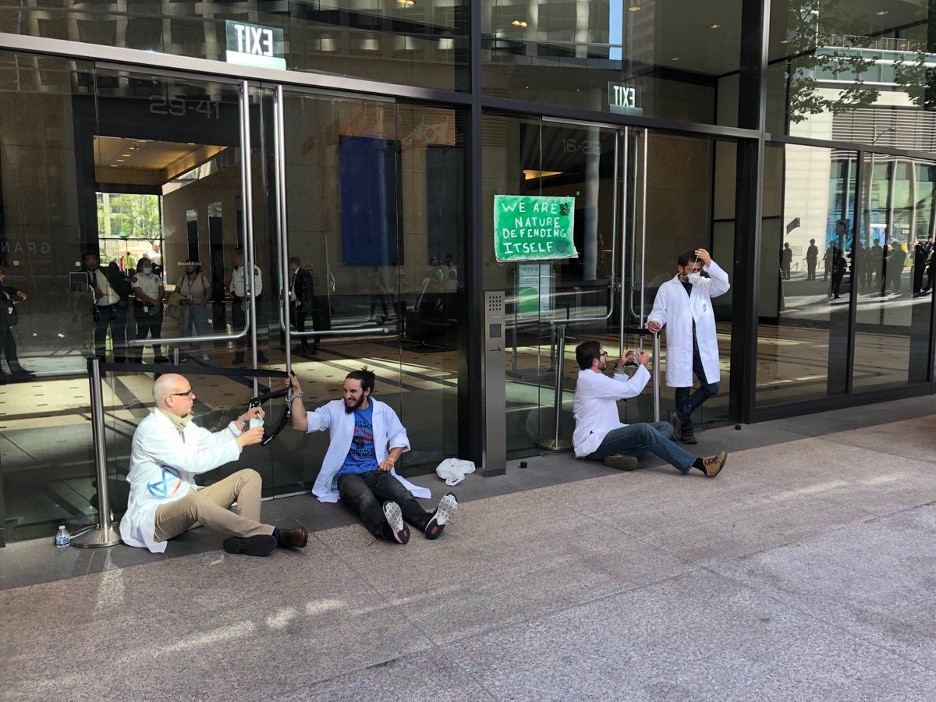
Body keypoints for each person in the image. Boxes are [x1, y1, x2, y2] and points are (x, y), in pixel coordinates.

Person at [120, 373, 308, 556]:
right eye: (187, 393)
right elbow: (194, 463)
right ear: (170, 400)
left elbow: (211, 442)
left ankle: (248, 538)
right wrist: (240, 442)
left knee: (248, 476)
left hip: (187, 504)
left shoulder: (183, 424)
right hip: (156, 517)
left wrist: (241, 422)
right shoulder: (151, 431)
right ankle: (275, 534)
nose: (193, 396)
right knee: (196, 502)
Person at [288, 367, 458, 544]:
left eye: (353, 391)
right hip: (348, 475)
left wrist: (391, 458)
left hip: (377, 470)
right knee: (366, 499)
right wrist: (296, 391)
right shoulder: (335, 409)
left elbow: (398, 435)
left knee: (401, 493)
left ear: (367, 391)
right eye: (345, 390)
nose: (347, 396)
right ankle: (388, 529)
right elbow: (301, 423)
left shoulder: (382, 410)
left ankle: (428, 522)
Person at [572, 341, 727, 477]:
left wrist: (620, 366)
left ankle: (618, 455)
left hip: (607, 435)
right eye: (603, 354)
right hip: (593, 444)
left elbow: (616, 393)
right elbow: (631, 389)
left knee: (665, 427)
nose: (605, 356)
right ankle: (701, 464)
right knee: (644, 430)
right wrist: (643, 365)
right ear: (595, 361)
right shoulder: (591, 380)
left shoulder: (591, 378)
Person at [647, 248, 729, 445]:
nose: (695, 273)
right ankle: (687, 429)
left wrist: (710, 263)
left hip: (702, 346)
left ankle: (678, 414)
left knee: (711, 386)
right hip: (682, 345)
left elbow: (724, 284)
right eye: (691, 269)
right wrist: (654, 322)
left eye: (698, 269)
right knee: (682, 389)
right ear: (680, 268)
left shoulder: (705, 285)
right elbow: (658, 312)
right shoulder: (667, 288)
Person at [82, 252, 128, 364]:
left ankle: (120, 358)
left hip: (115, 304)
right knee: (100, 334)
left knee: (118, 333)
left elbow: (122, 284)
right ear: (84, 262)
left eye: (93, 259)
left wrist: (124, 298)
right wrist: (92, 290)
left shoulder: (107, 271)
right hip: (99, 308)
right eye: (88, 260)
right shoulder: (83, 276)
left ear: (97, 260)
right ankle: (101, 358)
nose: (91, 262)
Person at [229, 248, 267, 365]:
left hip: (251, 302)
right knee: (239, 330)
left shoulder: (253, 269)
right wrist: (233, 295)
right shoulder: (236, 270)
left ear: (241, 257)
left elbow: (256, 288)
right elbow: (232, 285)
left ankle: (259, 355)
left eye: (235, 256)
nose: (233, 259)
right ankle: (239, 356)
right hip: (239, 302)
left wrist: (246, 300)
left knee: (253, 330)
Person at [0, 267, 35, 381]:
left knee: (10, 347)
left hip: (4, 324)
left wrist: (17, 293)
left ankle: (16, 370)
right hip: (1, 324)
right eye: (0, 274)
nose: (3, 276)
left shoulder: (2, 288)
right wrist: (11, 302)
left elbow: (8, 289)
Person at [131, 257, 167, 363]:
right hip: (142, 308)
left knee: (156, 332)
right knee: (142, 332)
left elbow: (162, 291)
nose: (148, 267)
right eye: (145, 265)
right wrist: (153, 302)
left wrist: (157, 302)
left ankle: (158, 355)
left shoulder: (156, 277)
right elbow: (139, 293)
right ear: (140, 267)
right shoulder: (136, 278)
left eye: (149, 265)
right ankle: (138, 357)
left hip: (157, 307)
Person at [175, 261, 212, 360]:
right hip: (185, 307)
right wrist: (180, 300)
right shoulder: (182, 279)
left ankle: (204, 353)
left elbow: (209, 292)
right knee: (185, 331)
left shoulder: (202, 279)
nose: (187, 267)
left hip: (198, 306)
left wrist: (203, 302)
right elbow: (176, 292)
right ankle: (185, 354)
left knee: (201, 330)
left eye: (189, 265)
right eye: (186, 266)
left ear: (195, 267)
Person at [288, 256, 317, 355]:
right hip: (299, 303)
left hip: (304, 304)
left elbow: (306, 289)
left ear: (293, 264)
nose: (289, 266)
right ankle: (304, 345)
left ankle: (306, 346)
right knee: (298, 323)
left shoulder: (303, 274)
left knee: (300, 324)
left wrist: (300, 300)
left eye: (290, 264)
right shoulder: (296, 274)